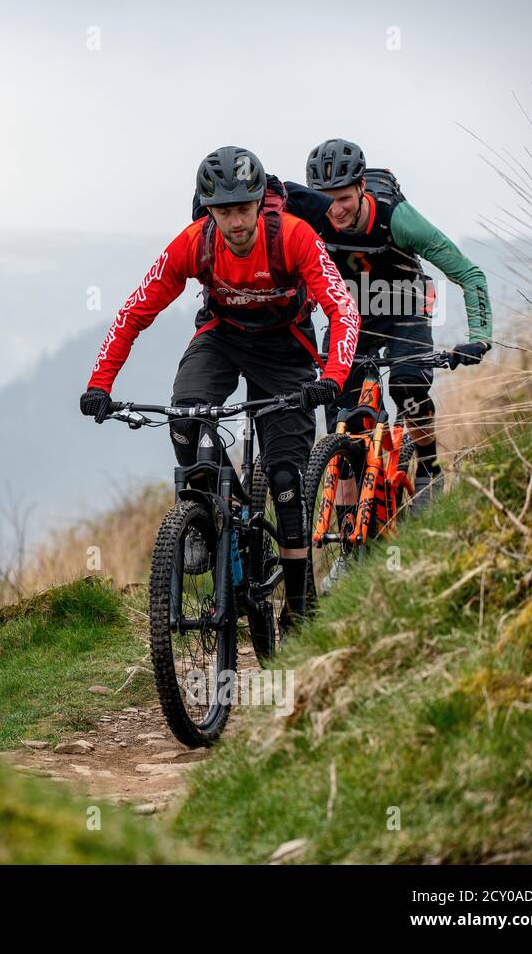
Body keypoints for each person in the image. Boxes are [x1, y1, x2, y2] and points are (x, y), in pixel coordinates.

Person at [80, 145, 360, 630]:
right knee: (186, 415)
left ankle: (298, 609)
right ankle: (208, 515)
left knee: (287, 483)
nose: (235, 221)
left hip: (286, 347)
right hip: (223, 336)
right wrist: (99, 384)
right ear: (208, 210)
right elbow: (133, 313)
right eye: (224, 211)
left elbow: (342, 308)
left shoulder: (293, 236)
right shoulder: (193, 243)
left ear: (259, 203)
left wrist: (333, 377)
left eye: (243, 209)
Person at [302, 138, 493, 505]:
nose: (336, 210)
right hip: (352, 315)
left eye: (344, 198)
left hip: (405, 303)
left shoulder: (397, 218)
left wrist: (480, 338)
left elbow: (470, 274)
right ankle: (348, 542)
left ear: (361, 189)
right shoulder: (312, 221)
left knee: (408, 386)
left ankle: (428, 467)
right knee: (341, 413)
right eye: (326, 199)